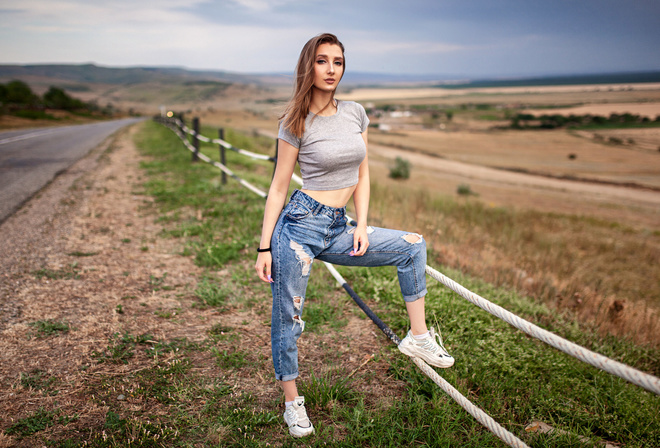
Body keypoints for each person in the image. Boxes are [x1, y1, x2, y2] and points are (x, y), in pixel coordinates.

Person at [255, 32, 454, 438]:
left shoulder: (355, 113)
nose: (331, 69)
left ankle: (418, 338)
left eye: (338, 62)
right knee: (288, 317)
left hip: (340, 225)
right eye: (323, 61)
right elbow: (278, 187)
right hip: (298, 228)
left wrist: (362, 223)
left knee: (412, 245)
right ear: (308, 66)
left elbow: (363, 173)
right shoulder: (294, 122)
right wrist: (264, 246)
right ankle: (293, 403)